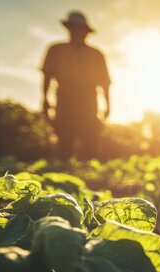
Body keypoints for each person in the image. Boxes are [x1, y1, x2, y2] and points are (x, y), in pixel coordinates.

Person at [41, 11, 111, 160]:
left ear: (86, 32)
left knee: (91, 142)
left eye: (81, 30)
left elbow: (105, 83)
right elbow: (47, 76)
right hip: (64, 100)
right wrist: (45, 100)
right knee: (65, 142)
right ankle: (64, 175)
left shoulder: (96, 54)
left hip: (88, 101)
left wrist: (108, 106)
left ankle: (93, 178)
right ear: (69, 29)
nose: (78, 33)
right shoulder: (56, 50)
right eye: (74, 29)